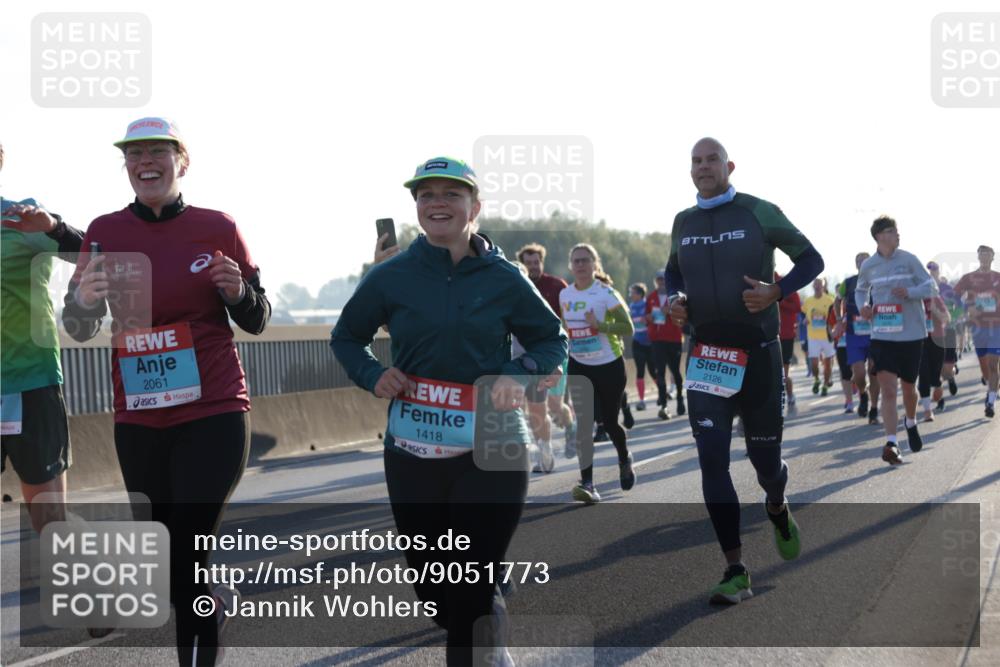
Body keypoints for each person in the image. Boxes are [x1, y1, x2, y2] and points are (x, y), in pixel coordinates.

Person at [331, 156, 566, 665]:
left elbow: (552, 340)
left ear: (474, 207)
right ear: (416, 207)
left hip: (495, 444)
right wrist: (374, 375)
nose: (437, 202)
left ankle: (483, 613)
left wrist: (517, 374)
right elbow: (347, 337)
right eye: (426, 194)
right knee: (438, 591)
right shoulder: (391, 276)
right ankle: (486, 611)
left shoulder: (504, 276)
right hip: (414, 449)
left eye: (451, 194)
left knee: (469, 589)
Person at [62, 118, 271, 665]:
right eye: (134, 154)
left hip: (213, 407)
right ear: (126, 165)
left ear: (182, 161)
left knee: (189, 544)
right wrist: (84, 299)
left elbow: (258, 319)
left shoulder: (217, 226)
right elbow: (80, 326)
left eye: (157, 152)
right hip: (141, 413)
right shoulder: (103, 231)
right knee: (165, 551)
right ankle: (214, 602)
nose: (145, 162)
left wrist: (240, 292)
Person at [667, 137, 823, 604]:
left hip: (759, 355)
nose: (703, 167)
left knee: (765, 465)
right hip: (708, 358)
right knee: (711, 460)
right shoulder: (684, 221)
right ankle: (736, 569)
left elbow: (812, 259)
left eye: (711, 159)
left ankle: (777, 503)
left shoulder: (758, 212)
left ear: (729, 166)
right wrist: (675, 299)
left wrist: (777, 292)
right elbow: (673, 271)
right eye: (696, 161)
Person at [1, 143, 83, 535]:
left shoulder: (22, 219)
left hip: (29, 383)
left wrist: (52, 227)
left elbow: (94, 252)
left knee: (49, 524)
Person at [855, 216, 937, 464]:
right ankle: (892, 442)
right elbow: (860, 290)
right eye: (891, 231)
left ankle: (910, 421)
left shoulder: (909, 259)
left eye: (896, 232)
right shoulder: (869, 265)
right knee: (888, 390)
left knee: (908, 389)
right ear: (879, 237)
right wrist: (864, 307)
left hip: (911, 334)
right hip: (882, 335)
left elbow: (931, 287)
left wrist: (910, 292)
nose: (896, 235)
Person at [560, 243, 636, 504]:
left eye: (585, 260)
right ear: (571, 266)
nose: (580, 265)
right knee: (584, 425)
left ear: (595, 264)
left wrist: (599, 325)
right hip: (579, 364)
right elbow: (565, 328)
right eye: (576, 261)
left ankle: (624, 459)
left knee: (611, 422)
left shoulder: (606, 293)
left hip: (609, 365)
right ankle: (588, 483)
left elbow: (628, 327)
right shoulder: (565, 295)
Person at [517, 243, 579, 458]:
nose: (534, 266)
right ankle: (544, 451)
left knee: (555, 406)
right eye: (529, 263)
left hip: (554, 353)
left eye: (537, 262)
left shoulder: (557, 285)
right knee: (535, 407)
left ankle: (571, 428)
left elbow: (568, 320)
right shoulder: (516, 286)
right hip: (528, 356)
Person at [954, 245, 1000, 418]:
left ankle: (990, 401)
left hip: (996, 326)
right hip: (978, 327)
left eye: (988, 253)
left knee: (993, 364)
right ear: (978, 256)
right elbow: (953, 295)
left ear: (993, 257)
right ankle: (991, 385)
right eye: (982, 253)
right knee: (986, 368)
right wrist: (966, 309)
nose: (985, 256)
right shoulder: (969, 278)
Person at [838, 252, 880, 423]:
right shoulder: (847, 283)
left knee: (874, 371)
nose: (861, 264)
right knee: (859, 373)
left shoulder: (879, 282)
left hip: (876, 333)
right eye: (858, 261)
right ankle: (863, 394)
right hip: (854, 334)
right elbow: (837, 301)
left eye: (864, 261)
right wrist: (840, 318)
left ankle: (874, 409)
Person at [646, 270, 686, 419]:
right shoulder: (651, 297)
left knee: (675, 371)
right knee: (660, 373)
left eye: (663, 280)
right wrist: (648, 318)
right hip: (657, 340)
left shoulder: (675, 296)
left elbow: (685, 313)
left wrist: (670, 311)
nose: (661, 283)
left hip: (674, 338)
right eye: (658, 280)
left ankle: (680, 399)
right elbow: (647, 315)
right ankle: (663, 405)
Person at [918, 293, 950, 421]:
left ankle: (938, 387)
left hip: (937, 340)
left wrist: (935, 309)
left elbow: (947, 318)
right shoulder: (912, 299)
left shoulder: (934, 298)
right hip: (920, 340)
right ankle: (927, 410)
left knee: (935, 375)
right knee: (923, 373)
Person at [802, 278, 835, 395]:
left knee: (827, 363)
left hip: (827, 336)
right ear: (812, 286)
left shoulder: (830, 300)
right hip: (813, 336)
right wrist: (805, 320)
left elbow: (834, 317)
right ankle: (816, 379)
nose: (817, 286)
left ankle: (825, 385)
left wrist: (829, 321)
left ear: (823, 286)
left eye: (819, 284)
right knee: (814, 363)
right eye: (815, 284)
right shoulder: (808, 301)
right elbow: (805, 314)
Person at [775, 272, 801, 414]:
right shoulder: (757, 280)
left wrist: (778, 299)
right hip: (767, 335)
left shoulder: (786, 282)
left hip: (786, 336)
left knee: (783, 373)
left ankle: (789, 395)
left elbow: (797, 307)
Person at [629, 282, 654, 410]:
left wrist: (649, 319)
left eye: (632, 293)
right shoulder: (631, 306)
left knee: (653, 371)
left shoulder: (648, 304)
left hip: (650, 342)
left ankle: (662, 393)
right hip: (637, 342)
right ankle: (641, 400)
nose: (630, 295)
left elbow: (656, 318)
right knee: (640, 371)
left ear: (639, 294)